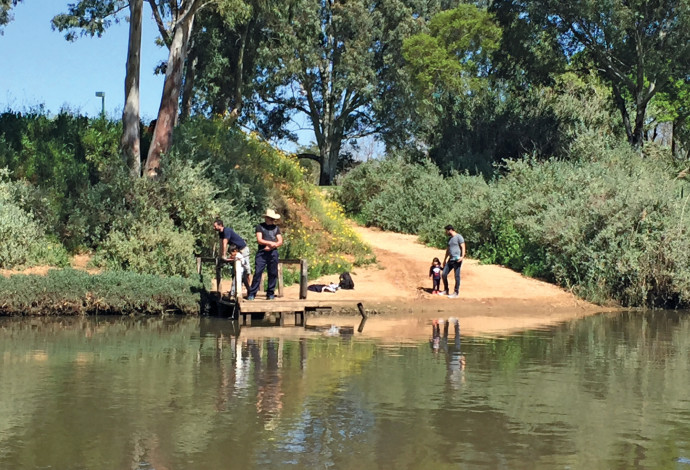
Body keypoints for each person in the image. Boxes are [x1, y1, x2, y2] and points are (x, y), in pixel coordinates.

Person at [247, 209, 283, 300]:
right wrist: (269, 243)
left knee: (272, 273)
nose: (271, 220)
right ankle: (252, 293)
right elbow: (259, 240)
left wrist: (272, 245)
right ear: (267, 218)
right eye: (269, 218)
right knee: (258, 272)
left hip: (273, 252)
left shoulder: (276, 228)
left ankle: (270, 293)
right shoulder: (260, 226)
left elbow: (280, 241)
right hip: (262, 252)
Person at [441, 224, 465, 299]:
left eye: (446, 231)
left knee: (457, 276)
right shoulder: (449, 239)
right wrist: (445, 259)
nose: (446, 232)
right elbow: (448, 250)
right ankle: (446, 290)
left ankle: (456, 292)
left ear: (450, 230)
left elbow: (463, 246)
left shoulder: (459, 237)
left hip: (457, 260)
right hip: (450, 259)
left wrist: (462, 256)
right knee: (444, 274)